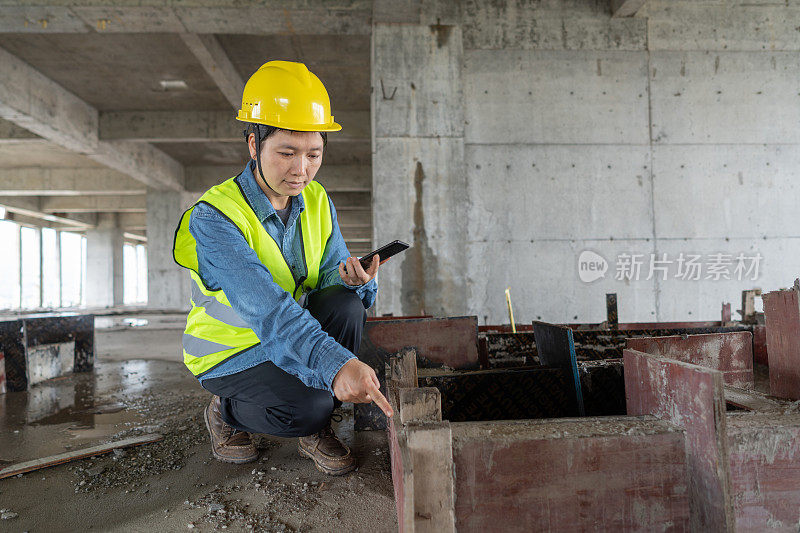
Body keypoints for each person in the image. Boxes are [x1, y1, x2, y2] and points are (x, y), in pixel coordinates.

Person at [173, 60, 393, 476]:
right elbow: (270, 310)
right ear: (254, 145)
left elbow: (327, 276)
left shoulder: (316, 200)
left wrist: (354, 280)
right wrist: (335, 366)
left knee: (345, 302)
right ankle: (226, 410)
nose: (301, 170)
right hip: (232, 352)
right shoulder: (216, 217)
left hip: (285, 335)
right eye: (287, 153)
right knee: (308, 407)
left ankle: (315, 424)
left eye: (314, 154)